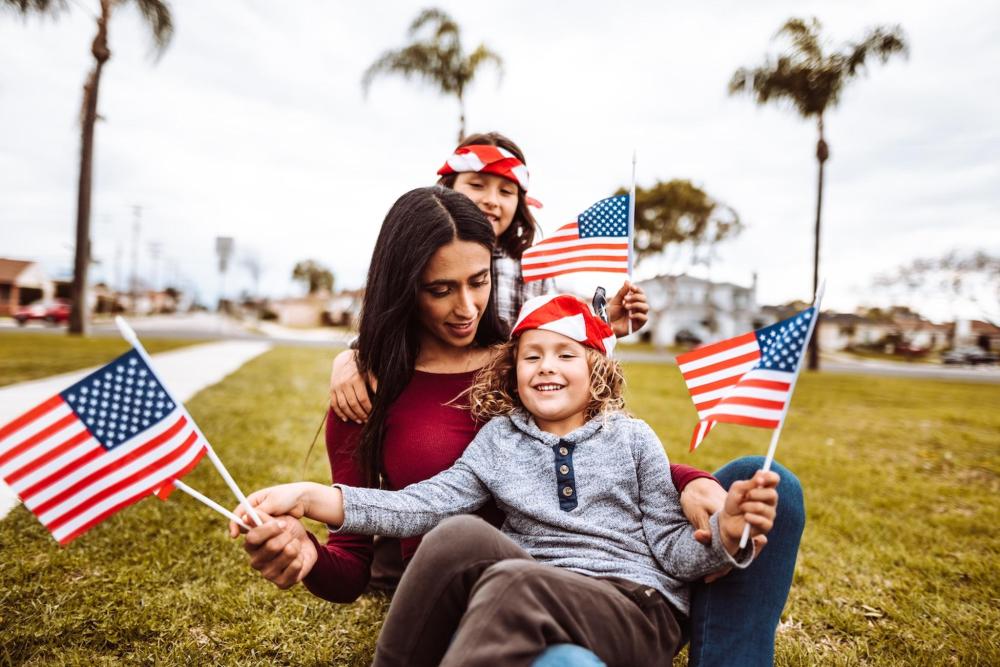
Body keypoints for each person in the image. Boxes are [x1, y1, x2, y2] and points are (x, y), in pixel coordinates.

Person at [234, 186, 804, 667]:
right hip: (493, 589)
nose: (466, 307)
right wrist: (311, 507)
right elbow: (419, 507)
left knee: (763, 478)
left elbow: (654, 521)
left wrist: (707, 501)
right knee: (460, 540)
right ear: (405, 285)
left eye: (478, 281)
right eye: (440, 289)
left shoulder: (587, 408)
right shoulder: (416, 405)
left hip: (627, 599)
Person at [327, 131, 648, 424]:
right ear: (447, 190)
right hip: (432, 406)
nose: (491, 199)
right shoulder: (419, 255)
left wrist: (604, 327)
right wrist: (351, 357)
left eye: (506, 191)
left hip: (506, 411)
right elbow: (389, 323)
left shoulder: (532, 268)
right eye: (477, 185)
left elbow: (554, 346)